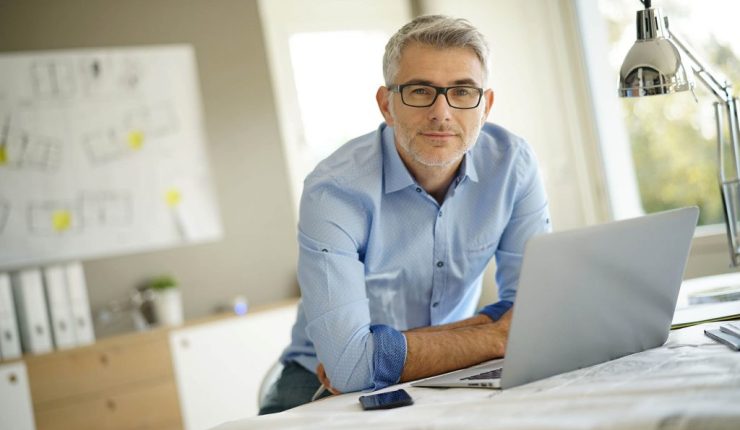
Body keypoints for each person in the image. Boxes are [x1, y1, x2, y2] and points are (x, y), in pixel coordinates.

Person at [259, 14, 551, 415]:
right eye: (419, 91)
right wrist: (496, 336)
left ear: (486, 106)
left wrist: (381, 352)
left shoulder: (513, 164)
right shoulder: (334, 191)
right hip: (315, 384)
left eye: (463, 91)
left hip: (451, 370)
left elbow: (535, 310)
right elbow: (347, 369)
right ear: (387, 104)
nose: (442, 112)